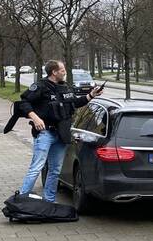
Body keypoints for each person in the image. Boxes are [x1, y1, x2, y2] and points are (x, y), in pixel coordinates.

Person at [17, 60, 101, 202]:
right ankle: (22, 199)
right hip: (45, 133)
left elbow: (75, 102)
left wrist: (91, 95)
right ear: (54, 72)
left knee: (55, 170)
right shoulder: (40, 86)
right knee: (36, 167)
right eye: (62, 69)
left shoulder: (65, 88)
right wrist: (35, 118)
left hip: (61, 135)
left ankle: (49, 201)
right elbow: (24, 103)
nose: (64, 71)